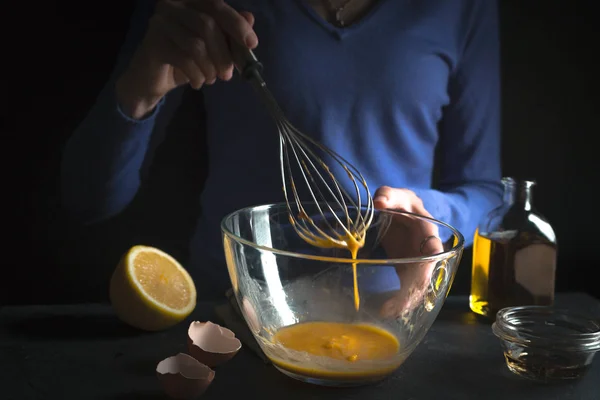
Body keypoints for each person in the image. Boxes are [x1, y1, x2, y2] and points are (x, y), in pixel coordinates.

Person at [60, 0, 503, 305]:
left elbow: (486, 195)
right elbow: (88, 201)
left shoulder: (461, 8)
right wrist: (142, 80)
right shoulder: (204, 10)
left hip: (390, 319)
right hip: (236, 313)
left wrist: (430, 212)